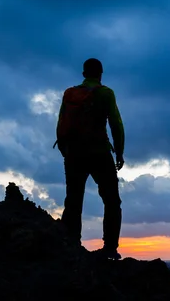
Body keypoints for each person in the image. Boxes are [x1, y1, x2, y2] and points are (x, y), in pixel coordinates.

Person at [54, 58, 125, 260]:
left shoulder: (69, 94)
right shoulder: (105, 93)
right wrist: (119, 152)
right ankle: (110, 248)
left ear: (84, 74)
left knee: (74, 200)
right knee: (111, 200)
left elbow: (61, 122)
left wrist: (65, 149)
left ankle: (72, 243)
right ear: (100, 74)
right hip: (99, 152)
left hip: (74, 153)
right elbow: (116, 124)